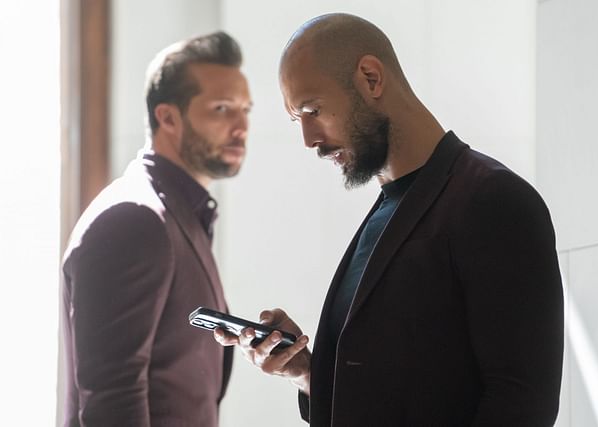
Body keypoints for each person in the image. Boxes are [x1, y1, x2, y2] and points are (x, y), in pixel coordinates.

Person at [214, 13, 564, 426]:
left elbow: (522, 406)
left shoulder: (494, 201)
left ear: (371, 78)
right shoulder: (386, 213)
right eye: (297, 120)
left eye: (313, 110)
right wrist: (309, 374)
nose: (308, 140)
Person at [61, 31, 252, 426]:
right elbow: (112, 399)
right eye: (221, 108)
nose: (241, 125)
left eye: (245, 109)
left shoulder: (178, 214)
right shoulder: (135, 218)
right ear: (168, 117)